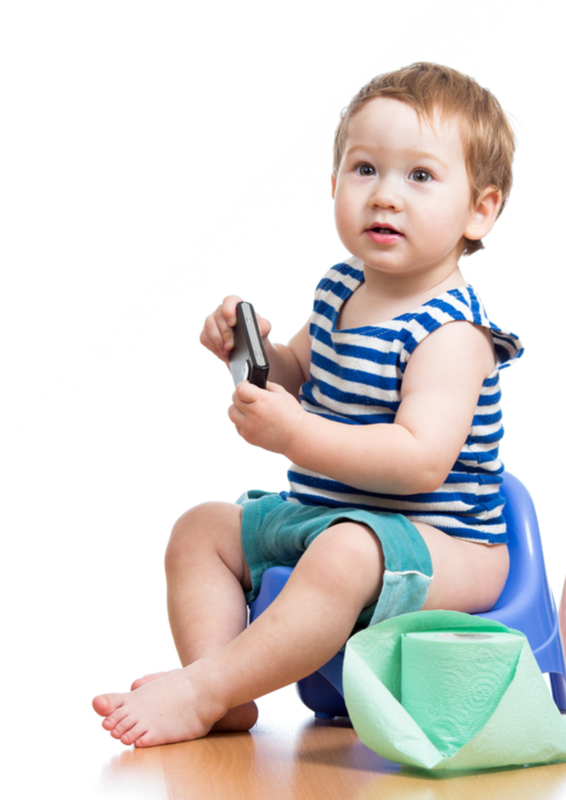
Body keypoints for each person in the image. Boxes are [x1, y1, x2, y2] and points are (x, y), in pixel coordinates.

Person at [94, 63, 522, 747]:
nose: (385, 196)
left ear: (480, 209)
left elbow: (418, 463)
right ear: (332, 186)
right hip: (334, 518)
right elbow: (298, 374)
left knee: (347, 555)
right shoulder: (340, 290)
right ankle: (217, 684)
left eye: (420, 176)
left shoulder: (452, 335)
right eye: (364, 170)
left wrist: (295, 435)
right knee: (200, 529)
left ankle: (205, 691)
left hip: (446, 543)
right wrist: (253, 351)